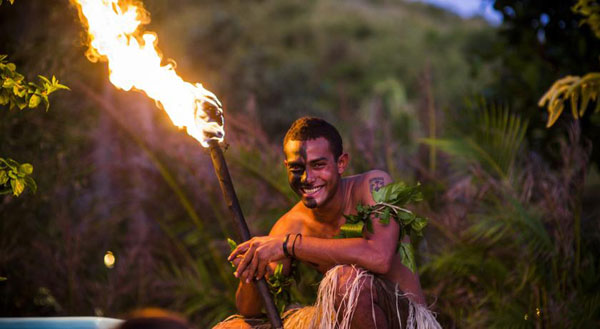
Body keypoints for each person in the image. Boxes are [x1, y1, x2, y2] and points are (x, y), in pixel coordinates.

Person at [215, 117, 440, 329]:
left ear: (341, 163)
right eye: (297, 168)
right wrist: (251, 271)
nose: (308, 178)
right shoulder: (291, 226)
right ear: (287, 167)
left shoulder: (373, 187)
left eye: (318, 165)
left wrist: (290, 245)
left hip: (406, 320)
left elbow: (379, 257)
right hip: (346, 320)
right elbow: (249, 310)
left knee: (345, 281)